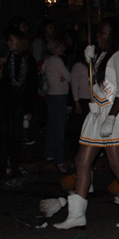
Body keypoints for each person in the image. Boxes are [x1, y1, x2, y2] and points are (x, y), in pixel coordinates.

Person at [53, 16, 119, 229]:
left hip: (114, 115)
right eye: (98, 32)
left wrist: (111, 117)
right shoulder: (102, 56)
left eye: (103, 32)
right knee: (82, 160)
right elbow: (98, 86)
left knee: (117, 164)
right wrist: (89, 63)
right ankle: (76, 215)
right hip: (97, 115)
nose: (98, 36)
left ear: (114, 35)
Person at [0, 27, 39, 178]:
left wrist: (30, 110)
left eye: (11, 40)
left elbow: (32, 86)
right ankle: (1, 167)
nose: (8, 42)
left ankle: (14, 167)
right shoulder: (7, 58)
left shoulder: (29, 60)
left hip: (19, 103)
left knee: (16, 136)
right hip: (4, 102)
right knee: (3, 135)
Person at [42, 38, 72, 173]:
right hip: (58, 96)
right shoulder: (57, 60)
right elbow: (69, 76)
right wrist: (65, 77)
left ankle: (49, 153)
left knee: (51, 125)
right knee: (59, 128)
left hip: (50, 95)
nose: (63, 49)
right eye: (60, 47)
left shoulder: (48, 60)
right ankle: (59, 161)